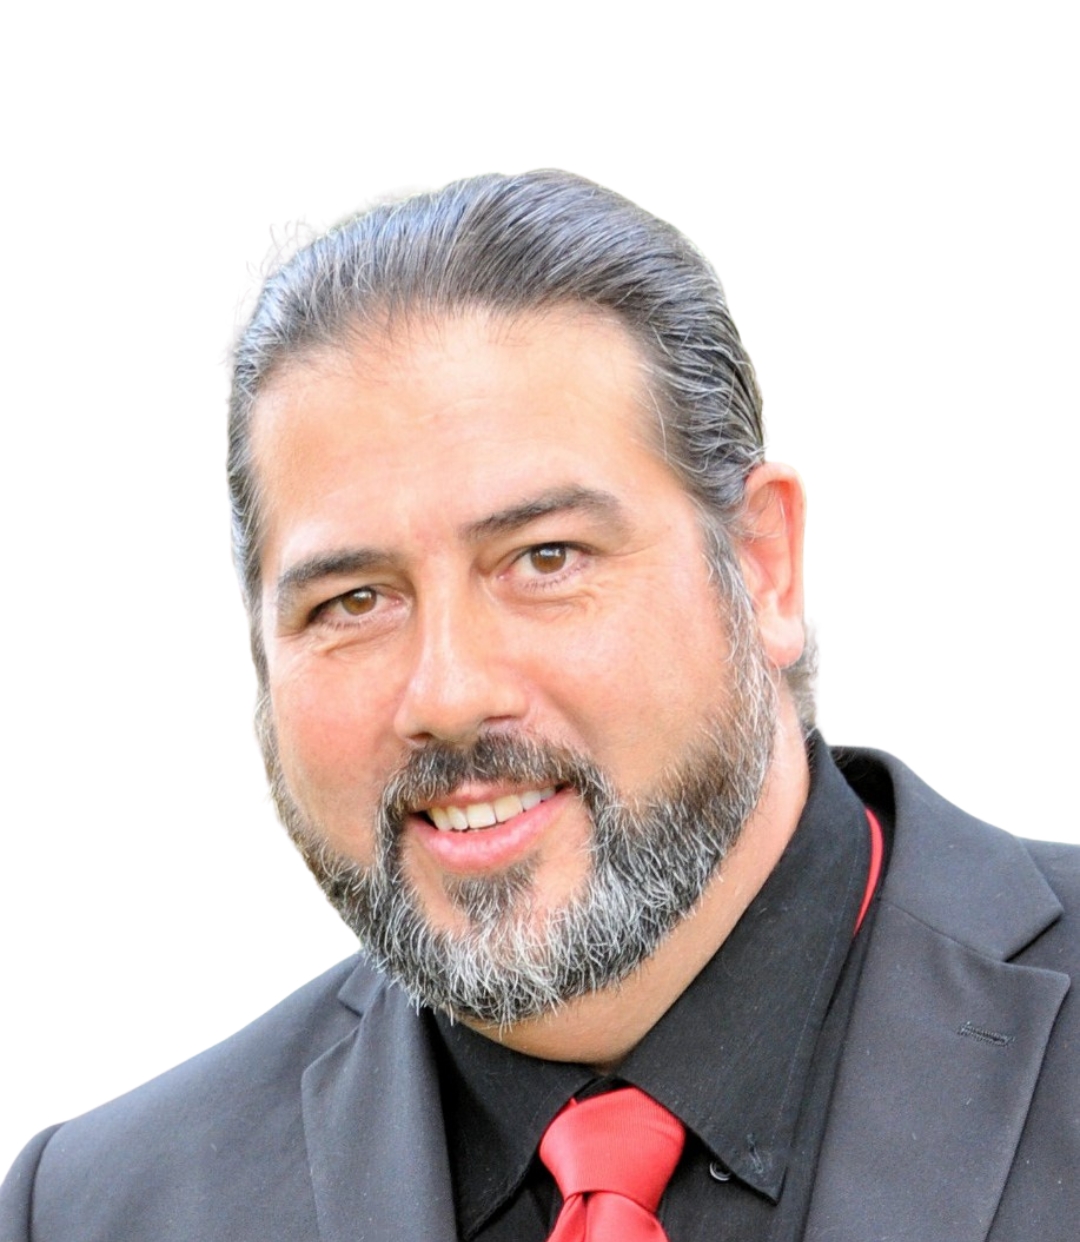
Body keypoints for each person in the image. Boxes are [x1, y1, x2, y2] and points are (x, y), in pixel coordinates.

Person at [3, 171, 1077, 1241]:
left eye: (545, 558)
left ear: (762, 566)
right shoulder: (100, 1212)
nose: (448, 693)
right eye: (354, 601)